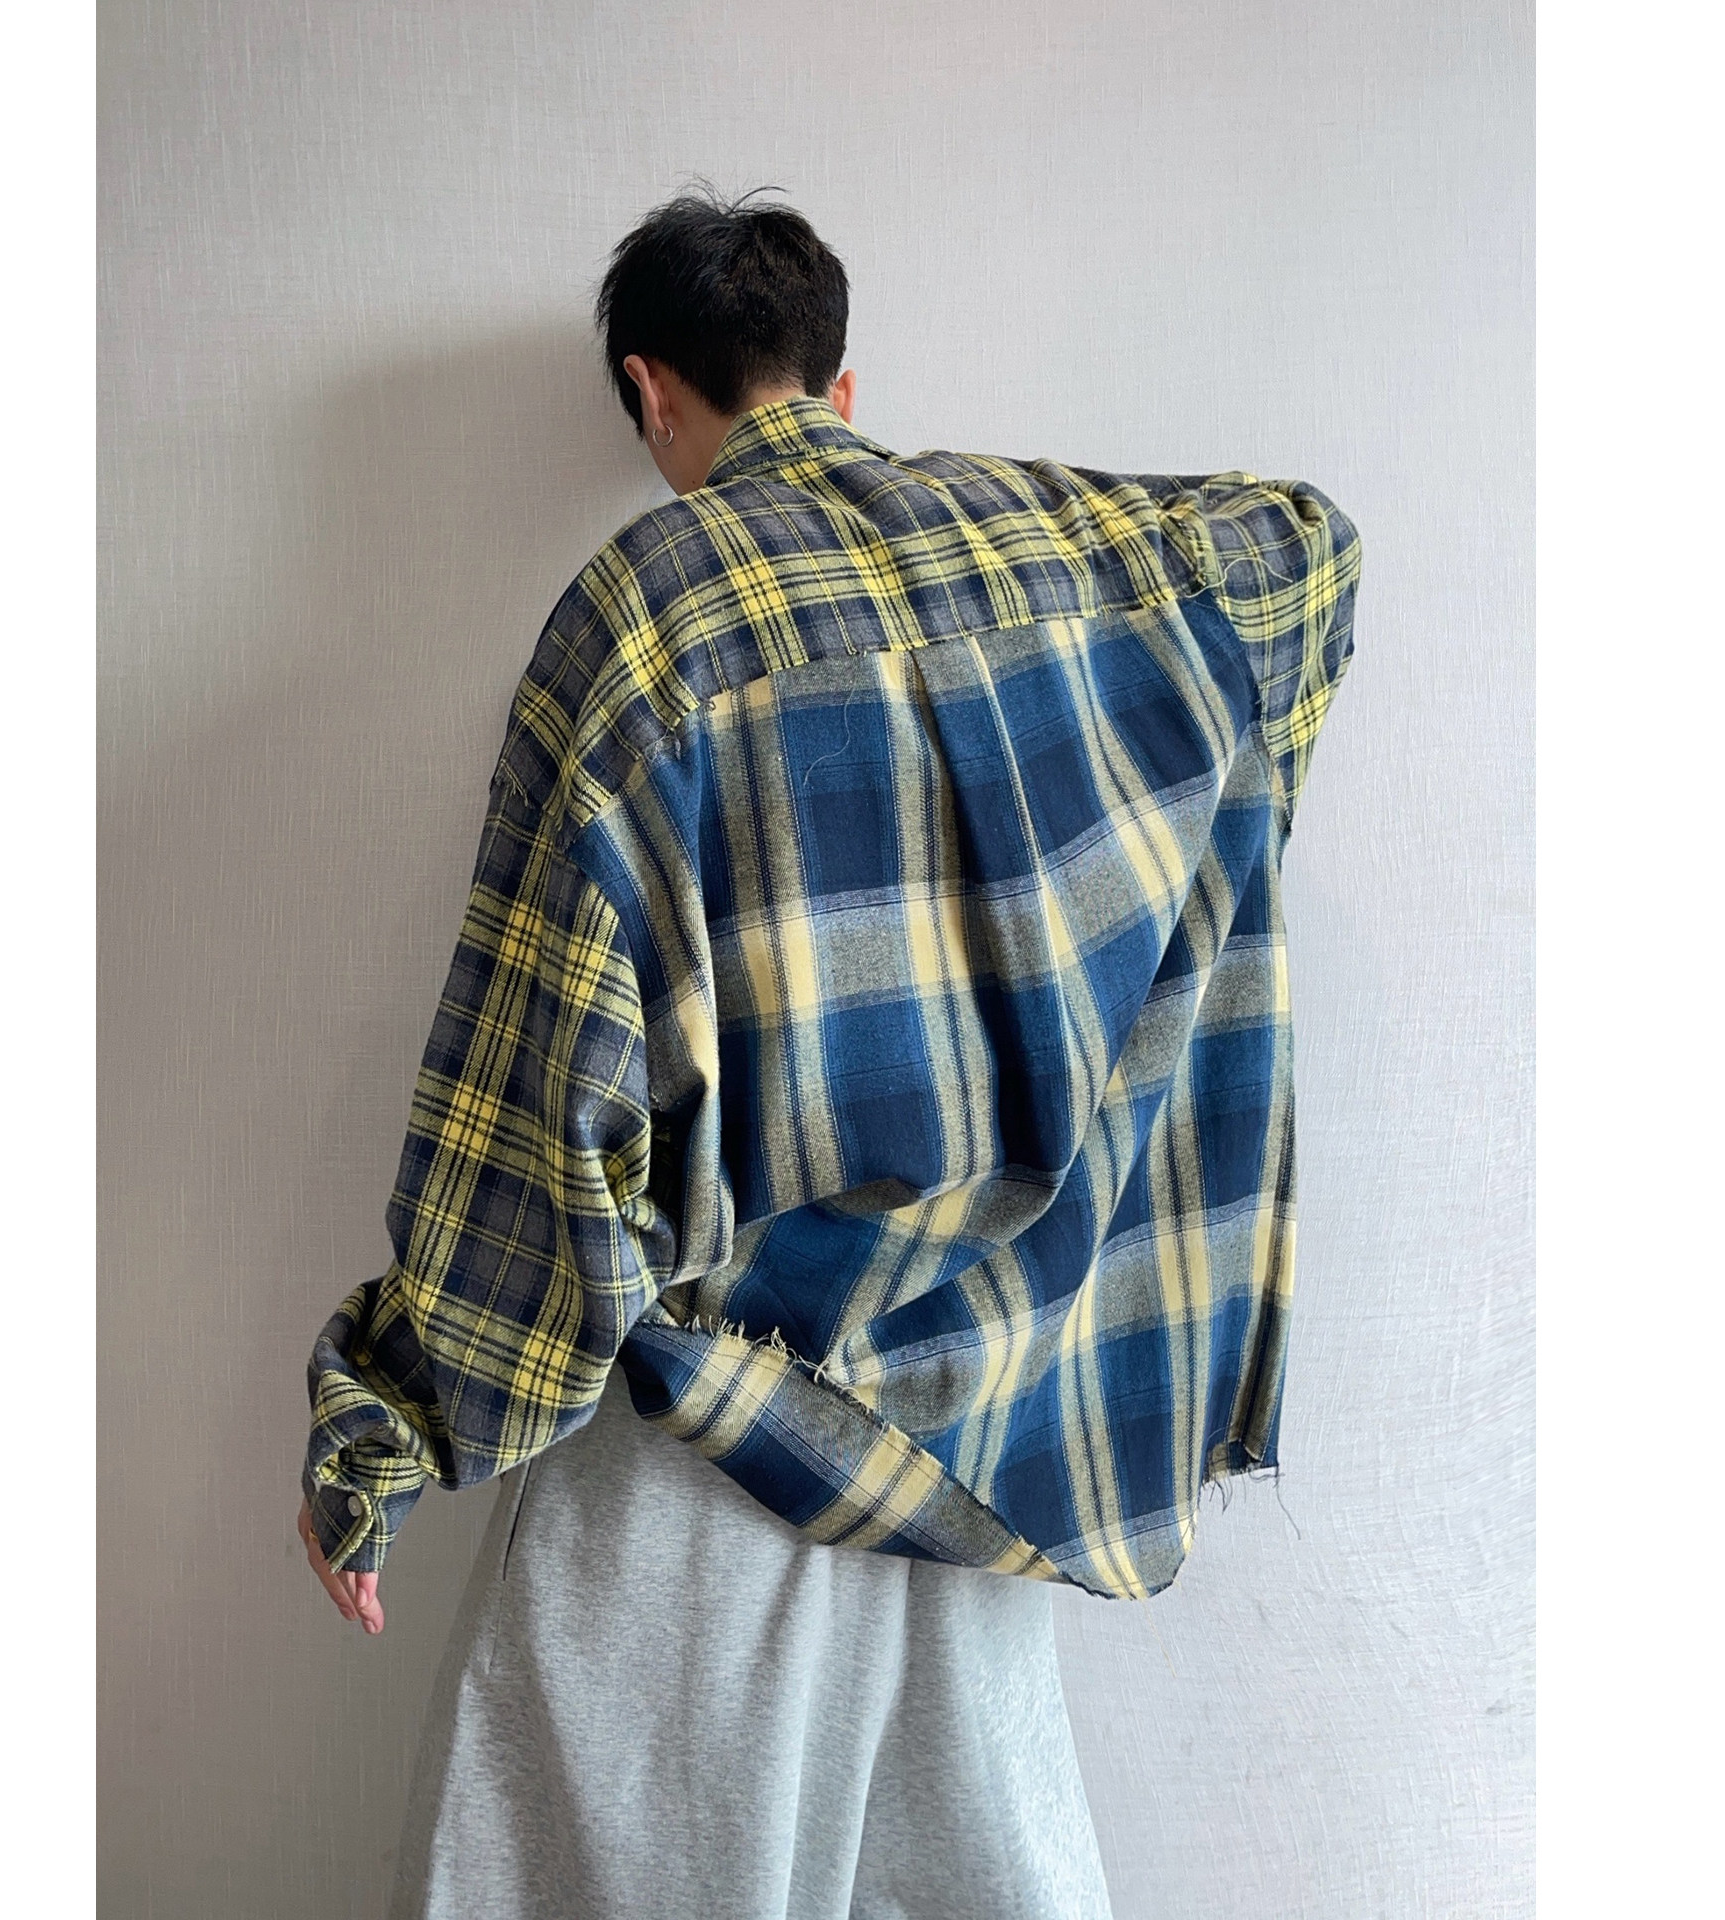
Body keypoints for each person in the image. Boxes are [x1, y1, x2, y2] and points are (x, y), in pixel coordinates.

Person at [296, 188, 1361, 1919]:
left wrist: (388, 1421)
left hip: (718, 1430)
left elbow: (539, 1087)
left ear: (650, 393)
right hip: (982, 1427)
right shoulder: (1053, 550)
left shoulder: (647, 618)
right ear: (839, 384)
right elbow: (1310, 550)